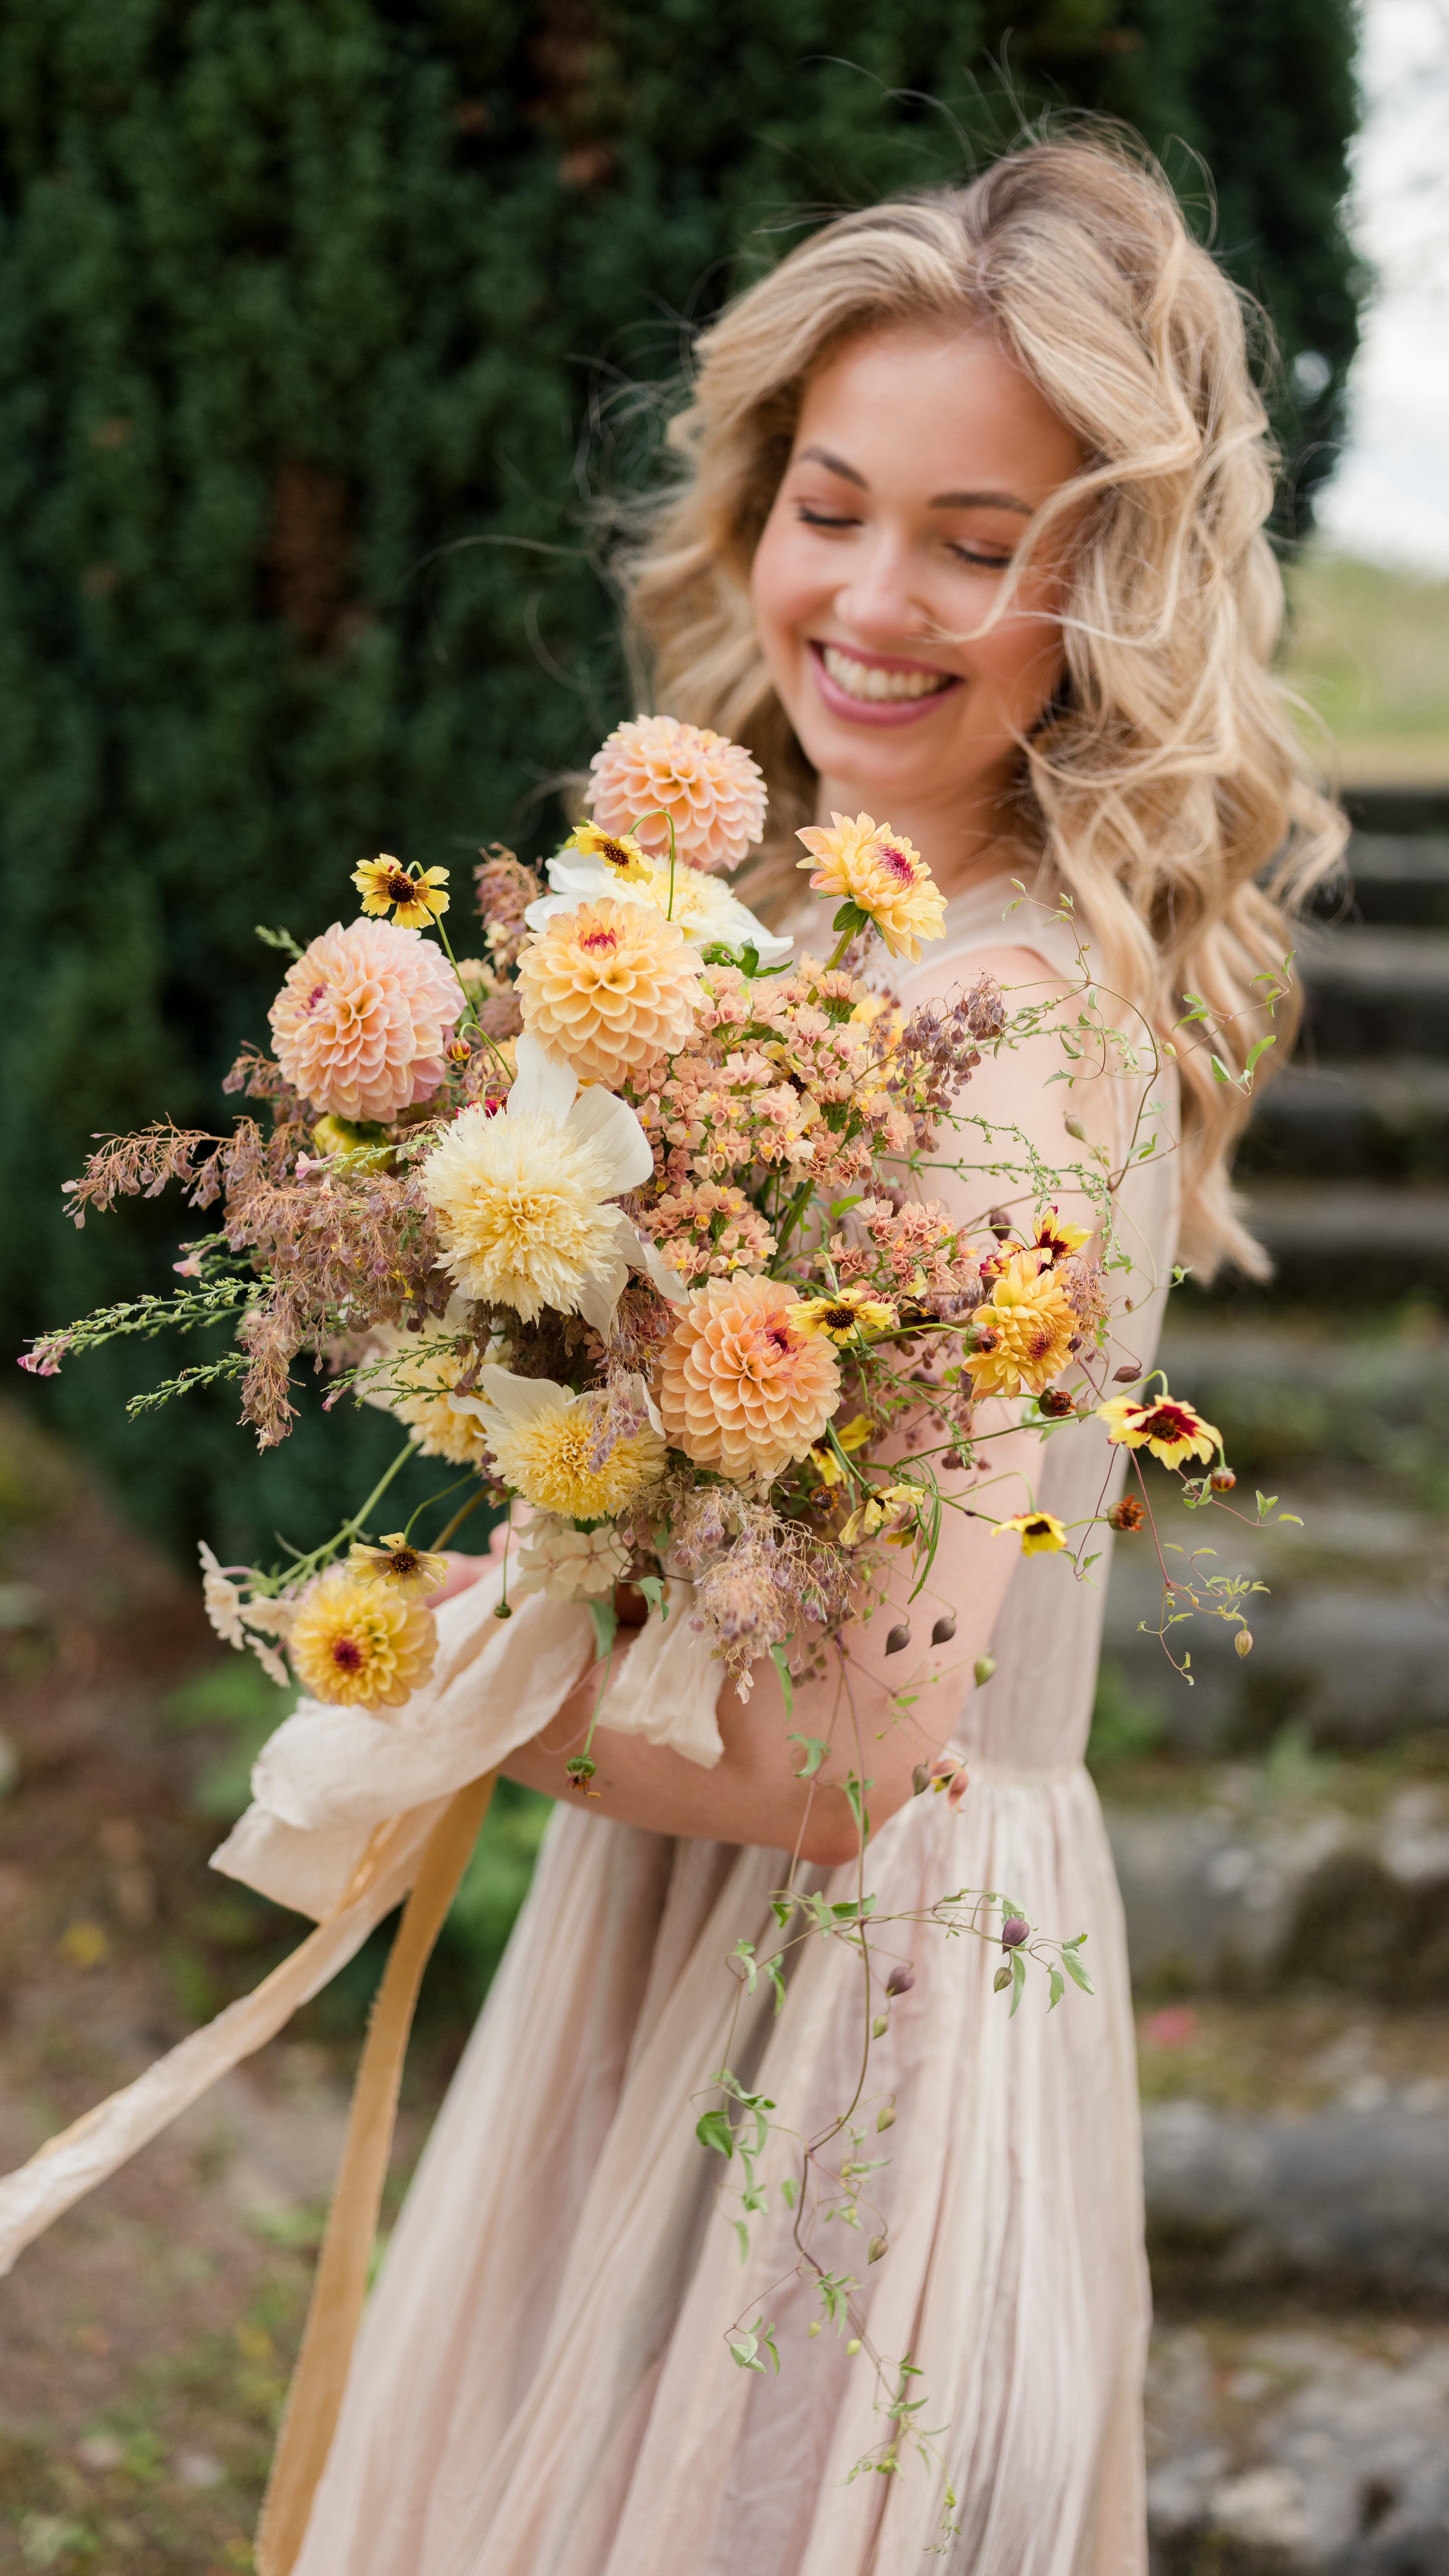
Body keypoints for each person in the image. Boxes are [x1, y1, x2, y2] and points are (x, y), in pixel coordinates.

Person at [293, 132, 1340, 2575]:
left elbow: (848, 1748)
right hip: (686, 1962)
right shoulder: (812, 944)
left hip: (847, 2042)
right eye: (829, 503)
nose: (870, 598)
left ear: (1113, 579)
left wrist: (428, 1675)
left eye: (975, 543)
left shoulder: (1004, 1038)